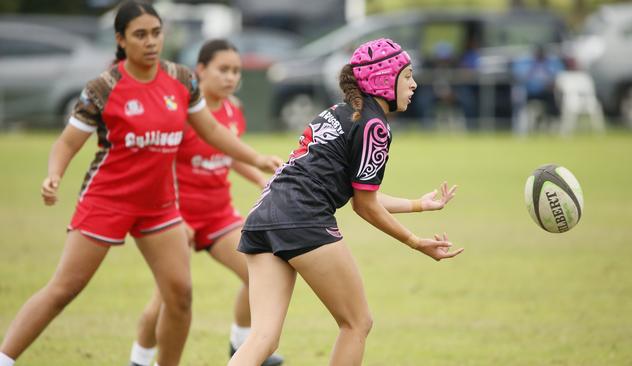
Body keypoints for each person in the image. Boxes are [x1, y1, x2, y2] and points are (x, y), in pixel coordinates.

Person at [0, 2, 281, 366]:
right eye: (140, 34)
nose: (151, 42)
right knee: (64, 289)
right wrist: (54, 173)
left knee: (179, 296)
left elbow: (211, 130)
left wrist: (255, 159)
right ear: (120, 39)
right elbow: (67, 142)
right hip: (107, 201)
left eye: (156, 32)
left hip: (160, 207)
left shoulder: (180, 79)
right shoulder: (104, 87)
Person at [227, 38, 464, 366]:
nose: (414, 84)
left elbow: (362, 195)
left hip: (264, 214)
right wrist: (413, 241)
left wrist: (418, 205)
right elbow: (364, 207)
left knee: (263, 337)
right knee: (357, 323)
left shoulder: (340, 113)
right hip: (303, 218)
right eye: (407, 76)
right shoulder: (375, 127)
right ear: (384, 79)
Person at [128, 39, 283, 366]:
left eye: (236, 71)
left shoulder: (233, 109)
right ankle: (140, 360)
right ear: (200, 70)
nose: (230, 77)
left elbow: (228, 151)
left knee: (259, 272)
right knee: (168, 298)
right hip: (174, 217)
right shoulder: (181, 112)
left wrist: (258, 177)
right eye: (222, 69)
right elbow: (158, 164)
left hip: (217, 216)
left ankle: (241, 344)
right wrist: (173, 216)